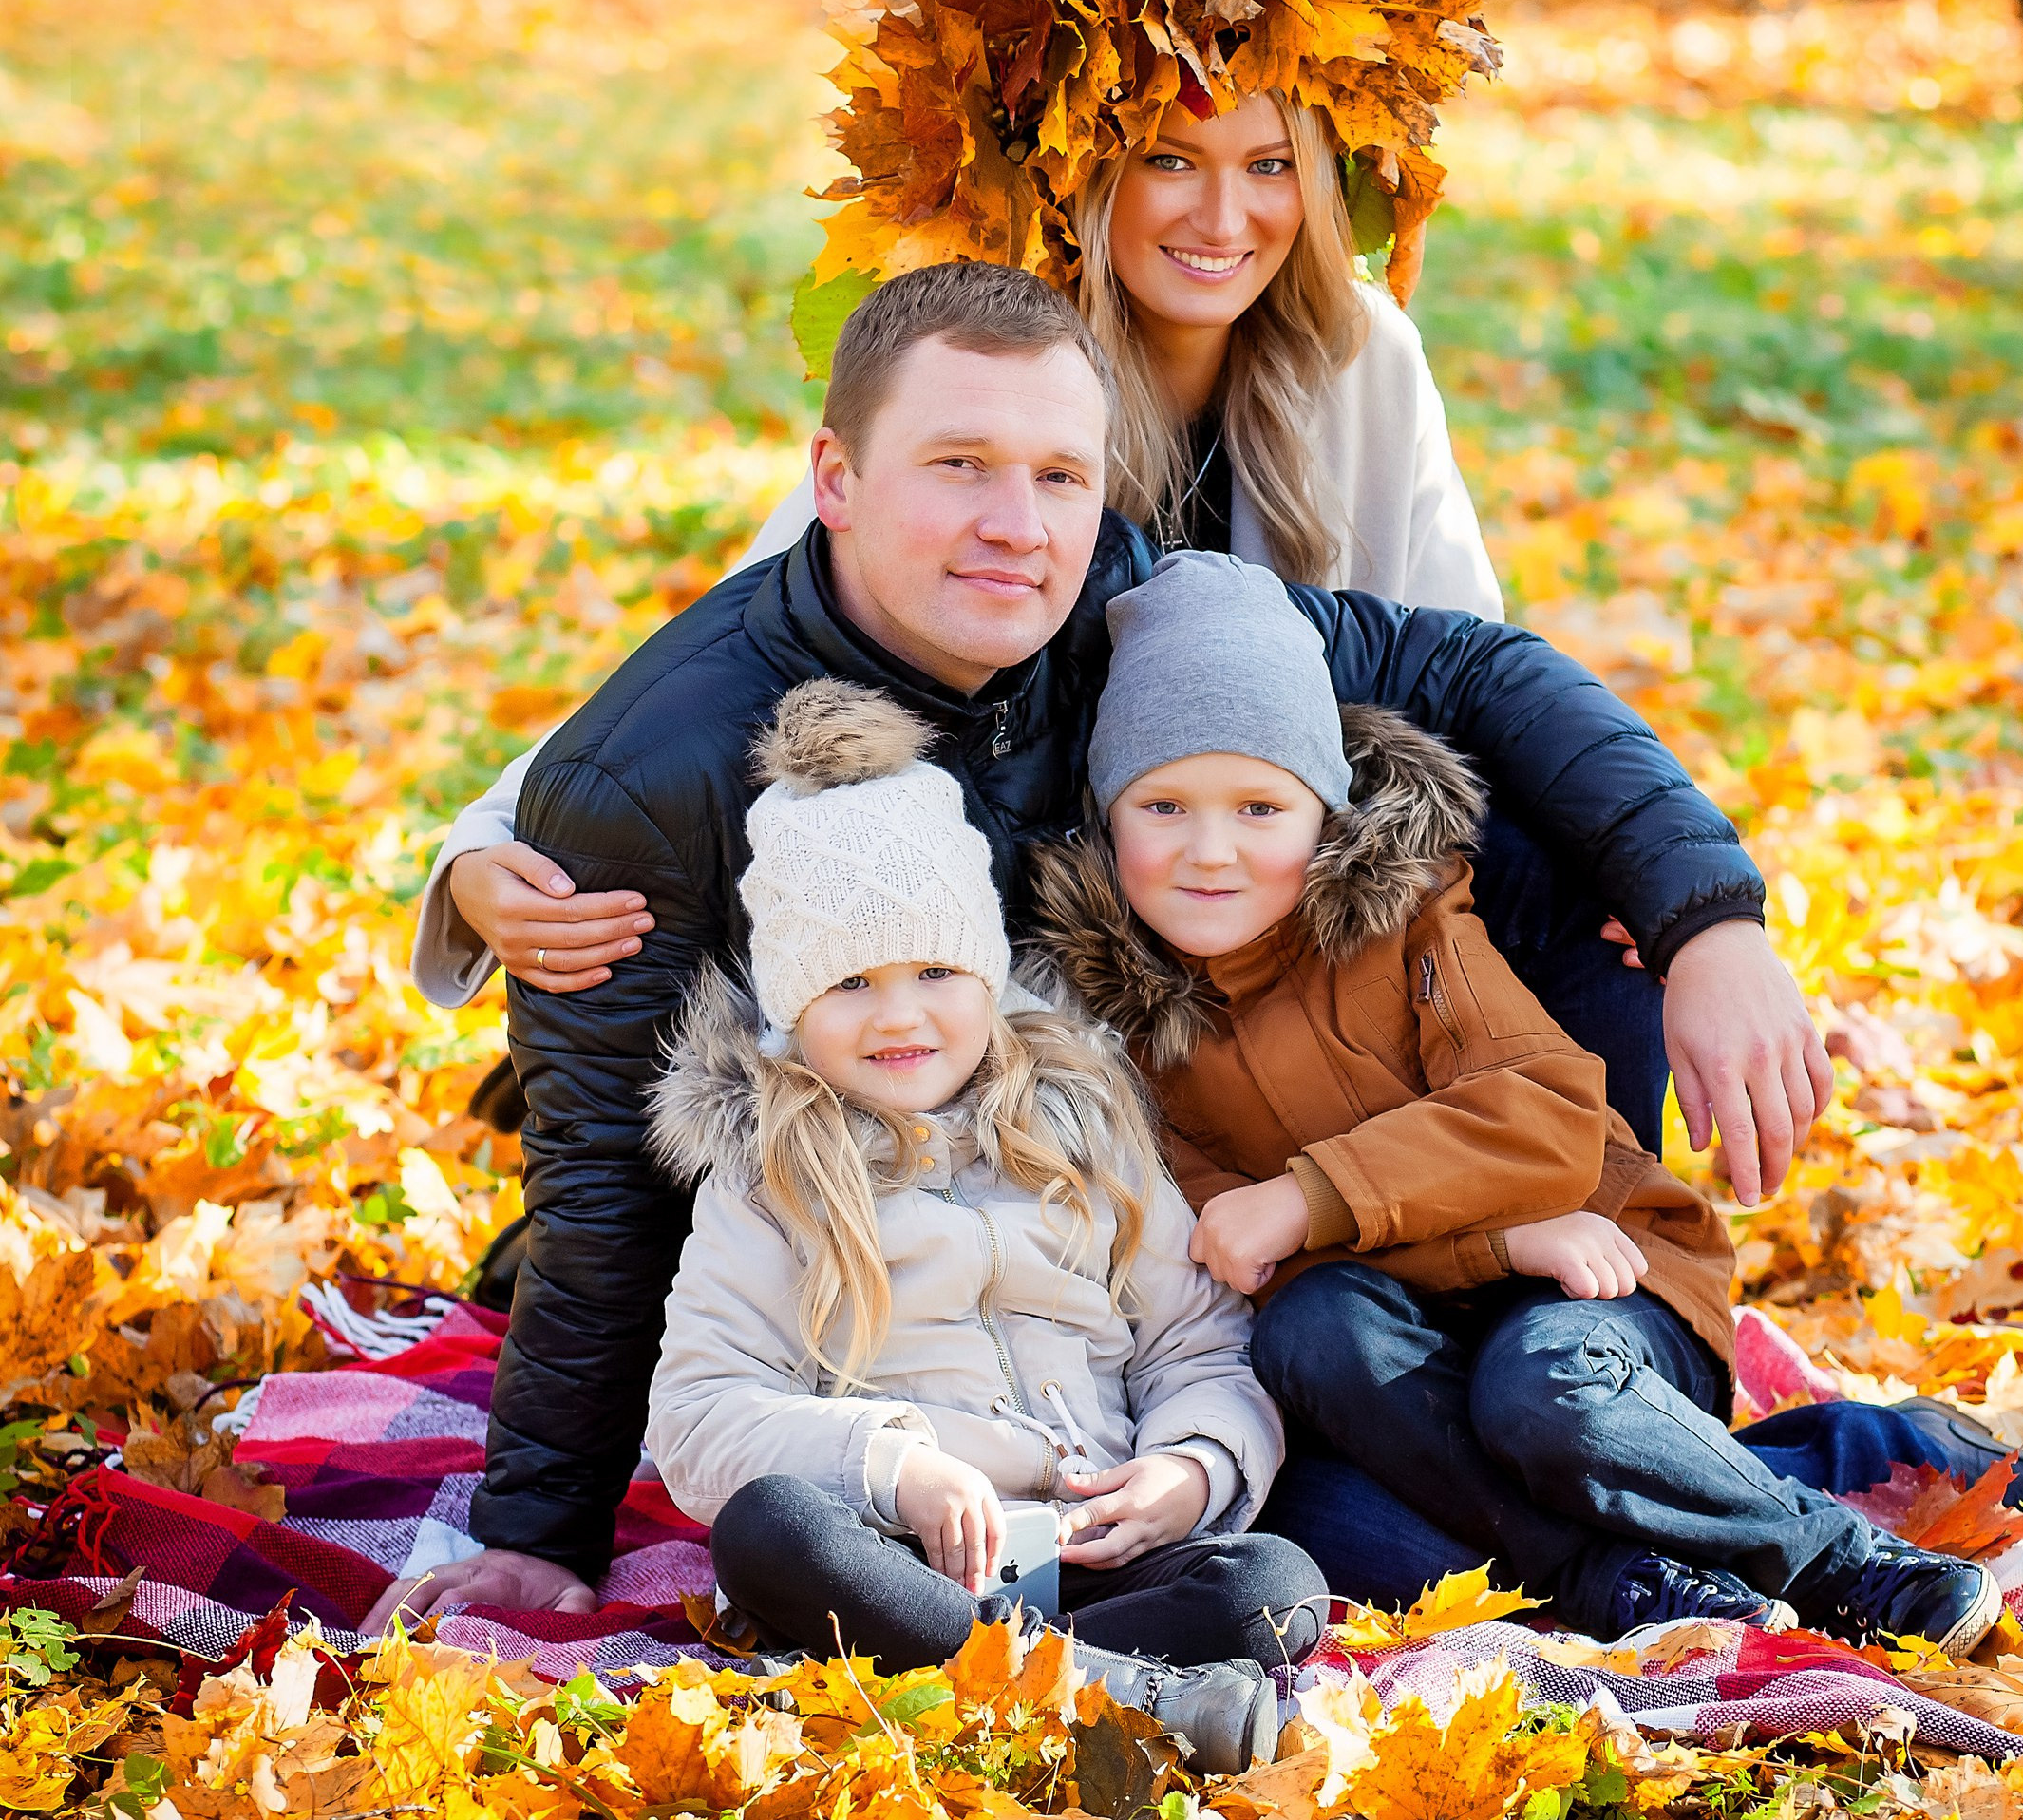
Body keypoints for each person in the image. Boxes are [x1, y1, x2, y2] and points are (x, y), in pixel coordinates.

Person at [360, 260, 1817, 1632]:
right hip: (857, 1251)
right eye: (960, 466)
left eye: (1059, 474)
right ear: (834, 482)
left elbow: (1468, 664)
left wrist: (1710, 921)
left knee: (1542, 857)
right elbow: (606, 1184)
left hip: (1125, 1218)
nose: (1020, 523)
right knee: (1309, 1506)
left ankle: (1580, 1348)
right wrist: (538, 1534)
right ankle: (1604, 1522)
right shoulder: (654, 775)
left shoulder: (1122, 602)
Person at [409, 0, 1716, 1179]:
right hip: (1046, 915)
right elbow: (756, 620)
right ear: (1093, 169)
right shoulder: (1007, 376)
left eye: (1271, 166)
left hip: (1276, 887)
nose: (1226, 220)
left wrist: (1664, 890)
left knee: (1573, 895)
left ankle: (1598, 1286)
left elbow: (1469, 666)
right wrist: (489, 850)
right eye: (1170, 160)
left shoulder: (1360, 365)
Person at [1031, 551, 2003, 1655]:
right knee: (1313, 1348)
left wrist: (1311, 1198)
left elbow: (1541, 1114)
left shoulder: (1410, 924)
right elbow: (1260, 1267)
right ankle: (1617, 1579)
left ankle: (1834, 1555)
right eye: (1163, 805)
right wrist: (1497, 1241)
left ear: (1324, 811)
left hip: (1605, 1291)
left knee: (1536, 1390)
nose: (1212, 852)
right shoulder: (1132, 1026)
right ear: (1110, 821)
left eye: (1260, 806)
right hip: (1411, 1346)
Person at [644, 678, 1318, 1773]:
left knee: (1273, 1586)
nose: (902, 1015)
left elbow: (1197, 1344)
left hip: (1089, 1547)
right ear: (790, 1007)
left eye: (936, 972)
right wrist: (888, 1464)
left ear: (990, 976)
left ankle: (1026, 1690)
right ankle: (1118, 1700)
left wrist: (1187, 1469)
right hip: (895, 1558)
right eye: (852, 982)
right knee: (770, 1530)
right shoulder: (770, 1178)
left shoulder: (1084, 1129)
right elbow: (699, 1415)